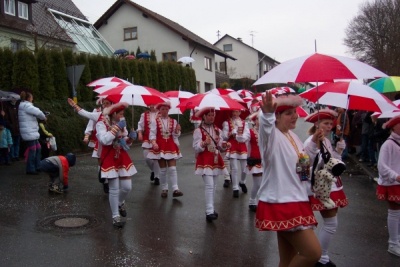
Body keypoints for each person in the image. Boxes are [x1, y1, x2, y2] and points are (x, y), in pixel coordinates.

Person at [256, 88, 321, 267]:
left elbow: (302, 159)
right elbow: (266, 128)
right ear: (276, 117)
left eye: (295, 112)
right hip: (282, 202)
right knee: (312, 253)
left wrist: (314, 142)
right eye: (288, 113)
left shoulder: (291, 135)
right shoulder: (271, 137)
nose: (295, 116)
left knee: (287, 260)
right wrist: (267, 115)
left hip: (296, 198)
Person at [304, 109, 348, 267]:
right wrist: (315, 147)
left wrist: (339, 150)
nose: (329, 126)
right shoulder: (311, 141)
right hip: (320, 186)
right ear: (317, 124)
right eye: (325, 123)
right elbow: (306, 163)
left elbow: (334, 162)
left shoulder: (327, 141)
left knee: (330, 222)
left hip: (330, 184)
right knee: (330, 223)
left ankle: (321, 256)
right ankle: (320, 257)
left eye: (331, 124)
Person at [96, 102, 137, 228]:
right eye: (120, 113)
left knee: (127, 187)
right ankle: (115, 217)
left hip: (122, 156)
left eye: (122, 113)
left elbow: (124, 142)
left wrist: (130, 138)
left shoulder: (121, 124)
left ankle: (119, 203)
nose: (122, 116)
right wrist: (116, 128)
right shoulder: (101, 123)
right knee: (113, 189)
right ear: (113, 113)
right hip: (109, 157)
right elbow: (103, 140)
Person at [68, 97, 114, 193]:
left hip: (113, 144)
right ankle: (104, 180)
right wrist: (74, 105)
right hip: (102, 143)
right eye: (104, 103)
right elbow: (85, 114)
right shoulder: (98, 114)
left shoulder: (115, 115)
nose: (105, 105)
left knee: (112, 162)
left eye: (107, 103)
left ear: (112, 104)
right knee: (102, 162)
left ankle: (110, 180)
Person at [193, 107, 229, 221]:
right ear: (204, 116)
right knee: (209, 185)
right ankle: (209, 211)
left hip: (215, 158)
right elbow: (196, 147)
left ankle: (211, 209)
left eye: (213, 115)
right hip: (204, 159)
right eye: (209, 115)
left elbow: (220, 146)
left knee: (214, 186)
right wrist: (204, 143)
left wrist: (224, 145)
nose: (211, 117)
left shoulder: (218, 130)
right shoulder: (198, 131)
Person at [147, 101, 183, 198]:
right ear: (159, 110)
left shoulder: (173, 121)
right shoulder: (155, 121)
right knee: (162, 170)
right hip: (160, 146)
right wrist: (153, 142)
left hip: (170, 145)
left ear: (168, 110)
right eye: (162, 109)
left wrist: (177, 131)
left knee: (172, 168)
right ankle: (164, 188)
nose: (164, 111)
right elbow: (152, 134)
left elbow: (175, 135)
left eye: (166, 109)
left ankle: (175, 189)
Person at [376, 115, 400, 257]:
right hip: (392, 183)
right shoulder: (388, 144)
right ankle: (393, 244)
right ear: (393, 127)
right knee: (395, 212)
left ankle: (397, 241)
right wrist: (395, 176)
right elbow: (382, 166)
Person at [18, 91, 46, 175]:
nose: (32, 99)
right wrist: (44, 117)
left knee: (38, 148)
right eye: (32, 97)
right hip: (29, 132)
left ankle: (37, 166)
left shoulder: (23, 105)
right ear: (28, 98)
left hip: (31, 132)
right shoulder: (26, 105)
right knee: (33, 150)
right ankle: (30, 168)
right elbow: (38, 112)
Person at [222, 109, 248, 198]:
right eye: (234, 111)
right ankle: (235, 188)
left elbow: (247, 135)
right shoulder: (227, 123)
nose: (235, 113)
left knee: (245, 168)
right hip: (232, 145)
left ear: (240, 112)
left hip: (242, 145)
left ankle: (242, 182)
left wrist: (240, 137)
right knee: (234, 168)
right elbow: (224, 137)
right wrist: (230, 133)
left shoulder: (244, 123)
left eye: (237, 112)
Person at [241, 112, 262, 212]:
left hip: (266, 161)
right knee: (258, 183)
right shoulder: (250, 132)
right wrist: (240, 134)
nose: (260, 121)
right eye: (258, 119)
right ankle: (252, 201)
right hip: (255, 160)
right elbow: (243, 139)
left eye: (262, 119)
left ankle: (261, 202)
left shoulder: (267, 132)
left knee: (264, 183)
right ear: (254, 121)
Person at [137, 104, 160, 185]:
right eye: (151, 104)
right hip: (147, 138)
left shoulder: (160, 114)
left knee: (156, 158)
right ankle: (153, 170)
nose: (152, 106)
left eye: (154, 103)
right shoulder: (144, 115)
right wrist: (140, 133)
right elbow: (140, 125)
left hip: (157, 139)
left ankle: (157, 177)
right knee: (147, 158)